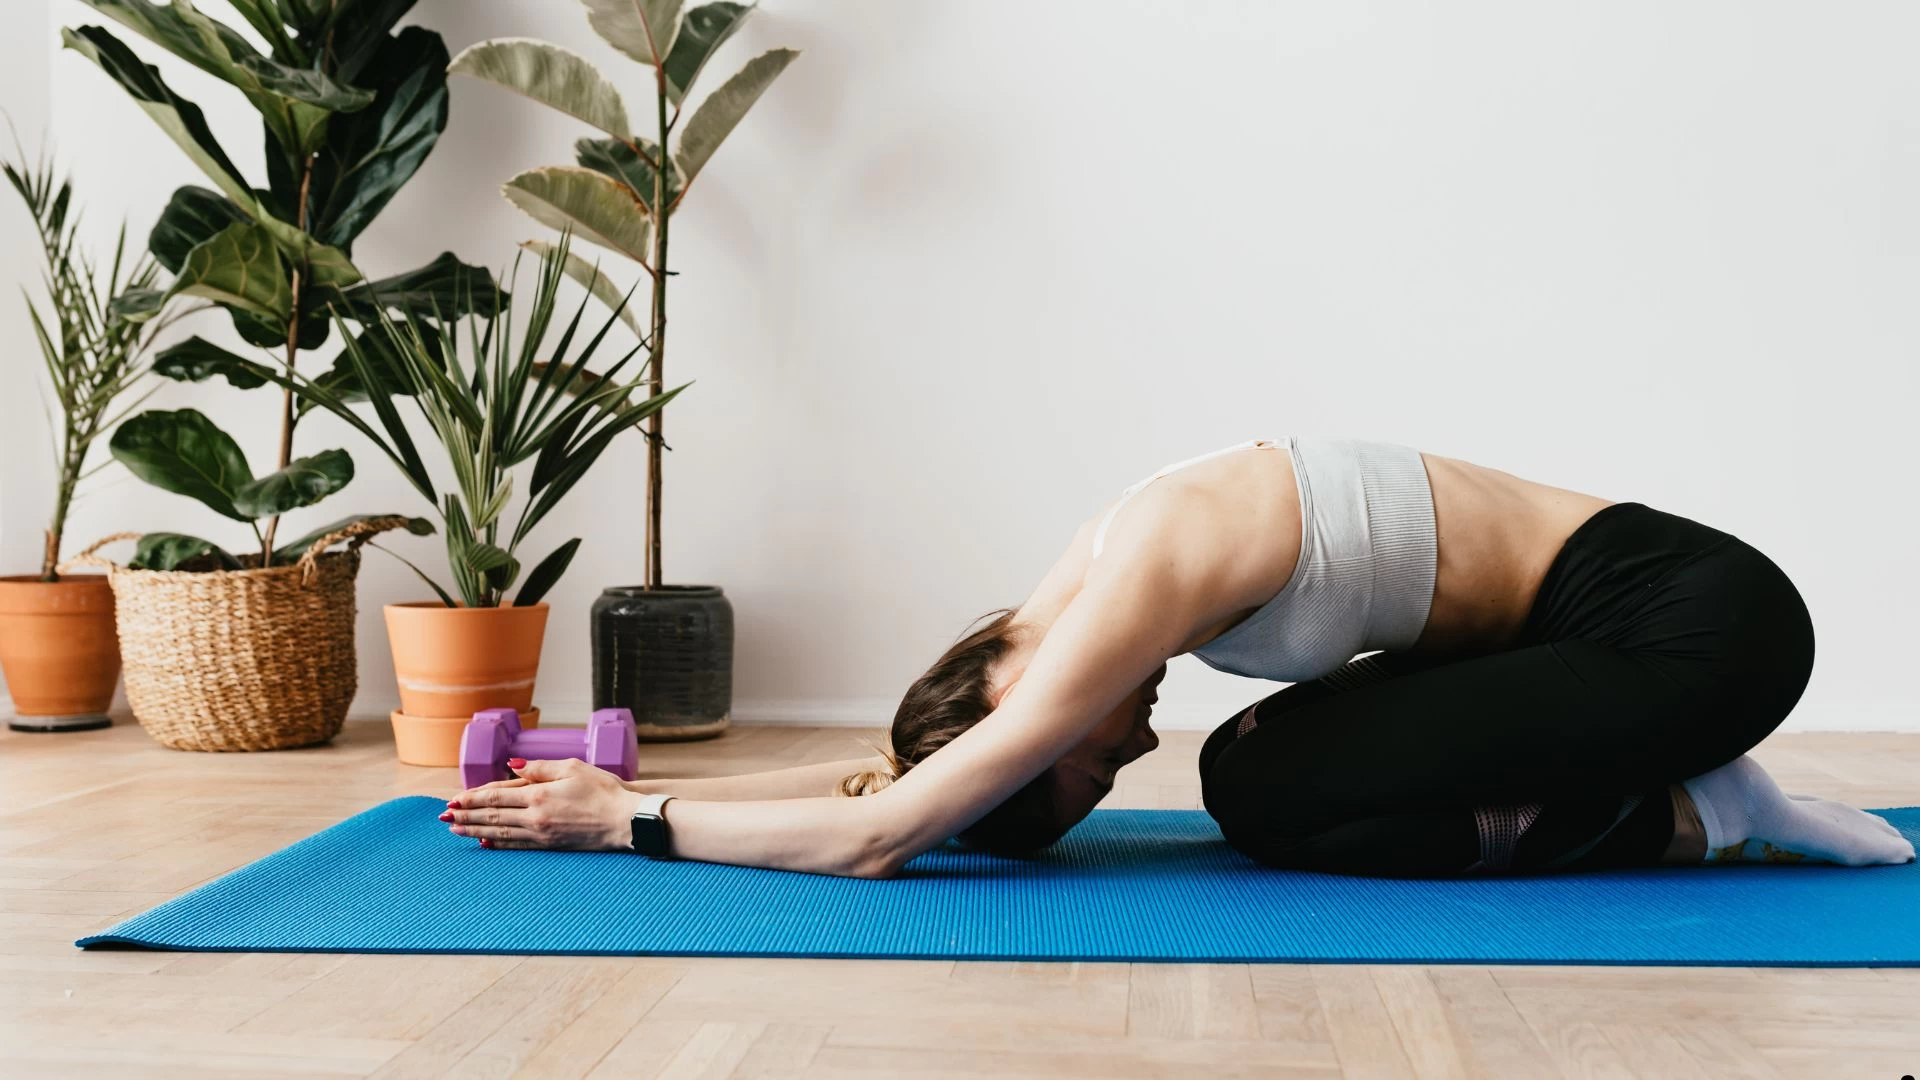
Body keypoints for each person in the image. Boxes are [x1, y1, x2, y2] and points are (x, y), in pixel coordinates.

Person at [442, 437, 1914, 876]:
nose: (1123, 746)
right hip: (1606, 640)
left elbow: (887, 834)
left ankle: (1722, 802)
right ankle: (1689, 796)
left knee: (1262, 793)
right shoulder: (1082, 575)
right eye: (1097, 777)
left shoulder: (1127, 582)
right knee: (1263, 771)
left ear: (1005, 703)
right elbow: (895, 790)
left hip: (1697, 625)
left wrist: (624, 817)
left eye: (1078, 765)